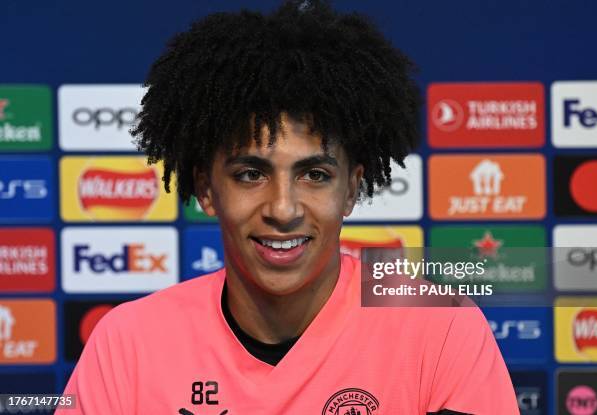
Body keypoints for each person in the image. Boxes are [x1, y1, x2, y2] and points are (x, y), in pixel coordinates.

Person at [59, 1, 519, 413]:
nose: (283, 208)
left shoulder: (440, 328)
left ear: (352, 190)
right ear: (205, 188)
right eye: (250, 174)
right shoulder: (128, 344)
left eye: (314, 175)